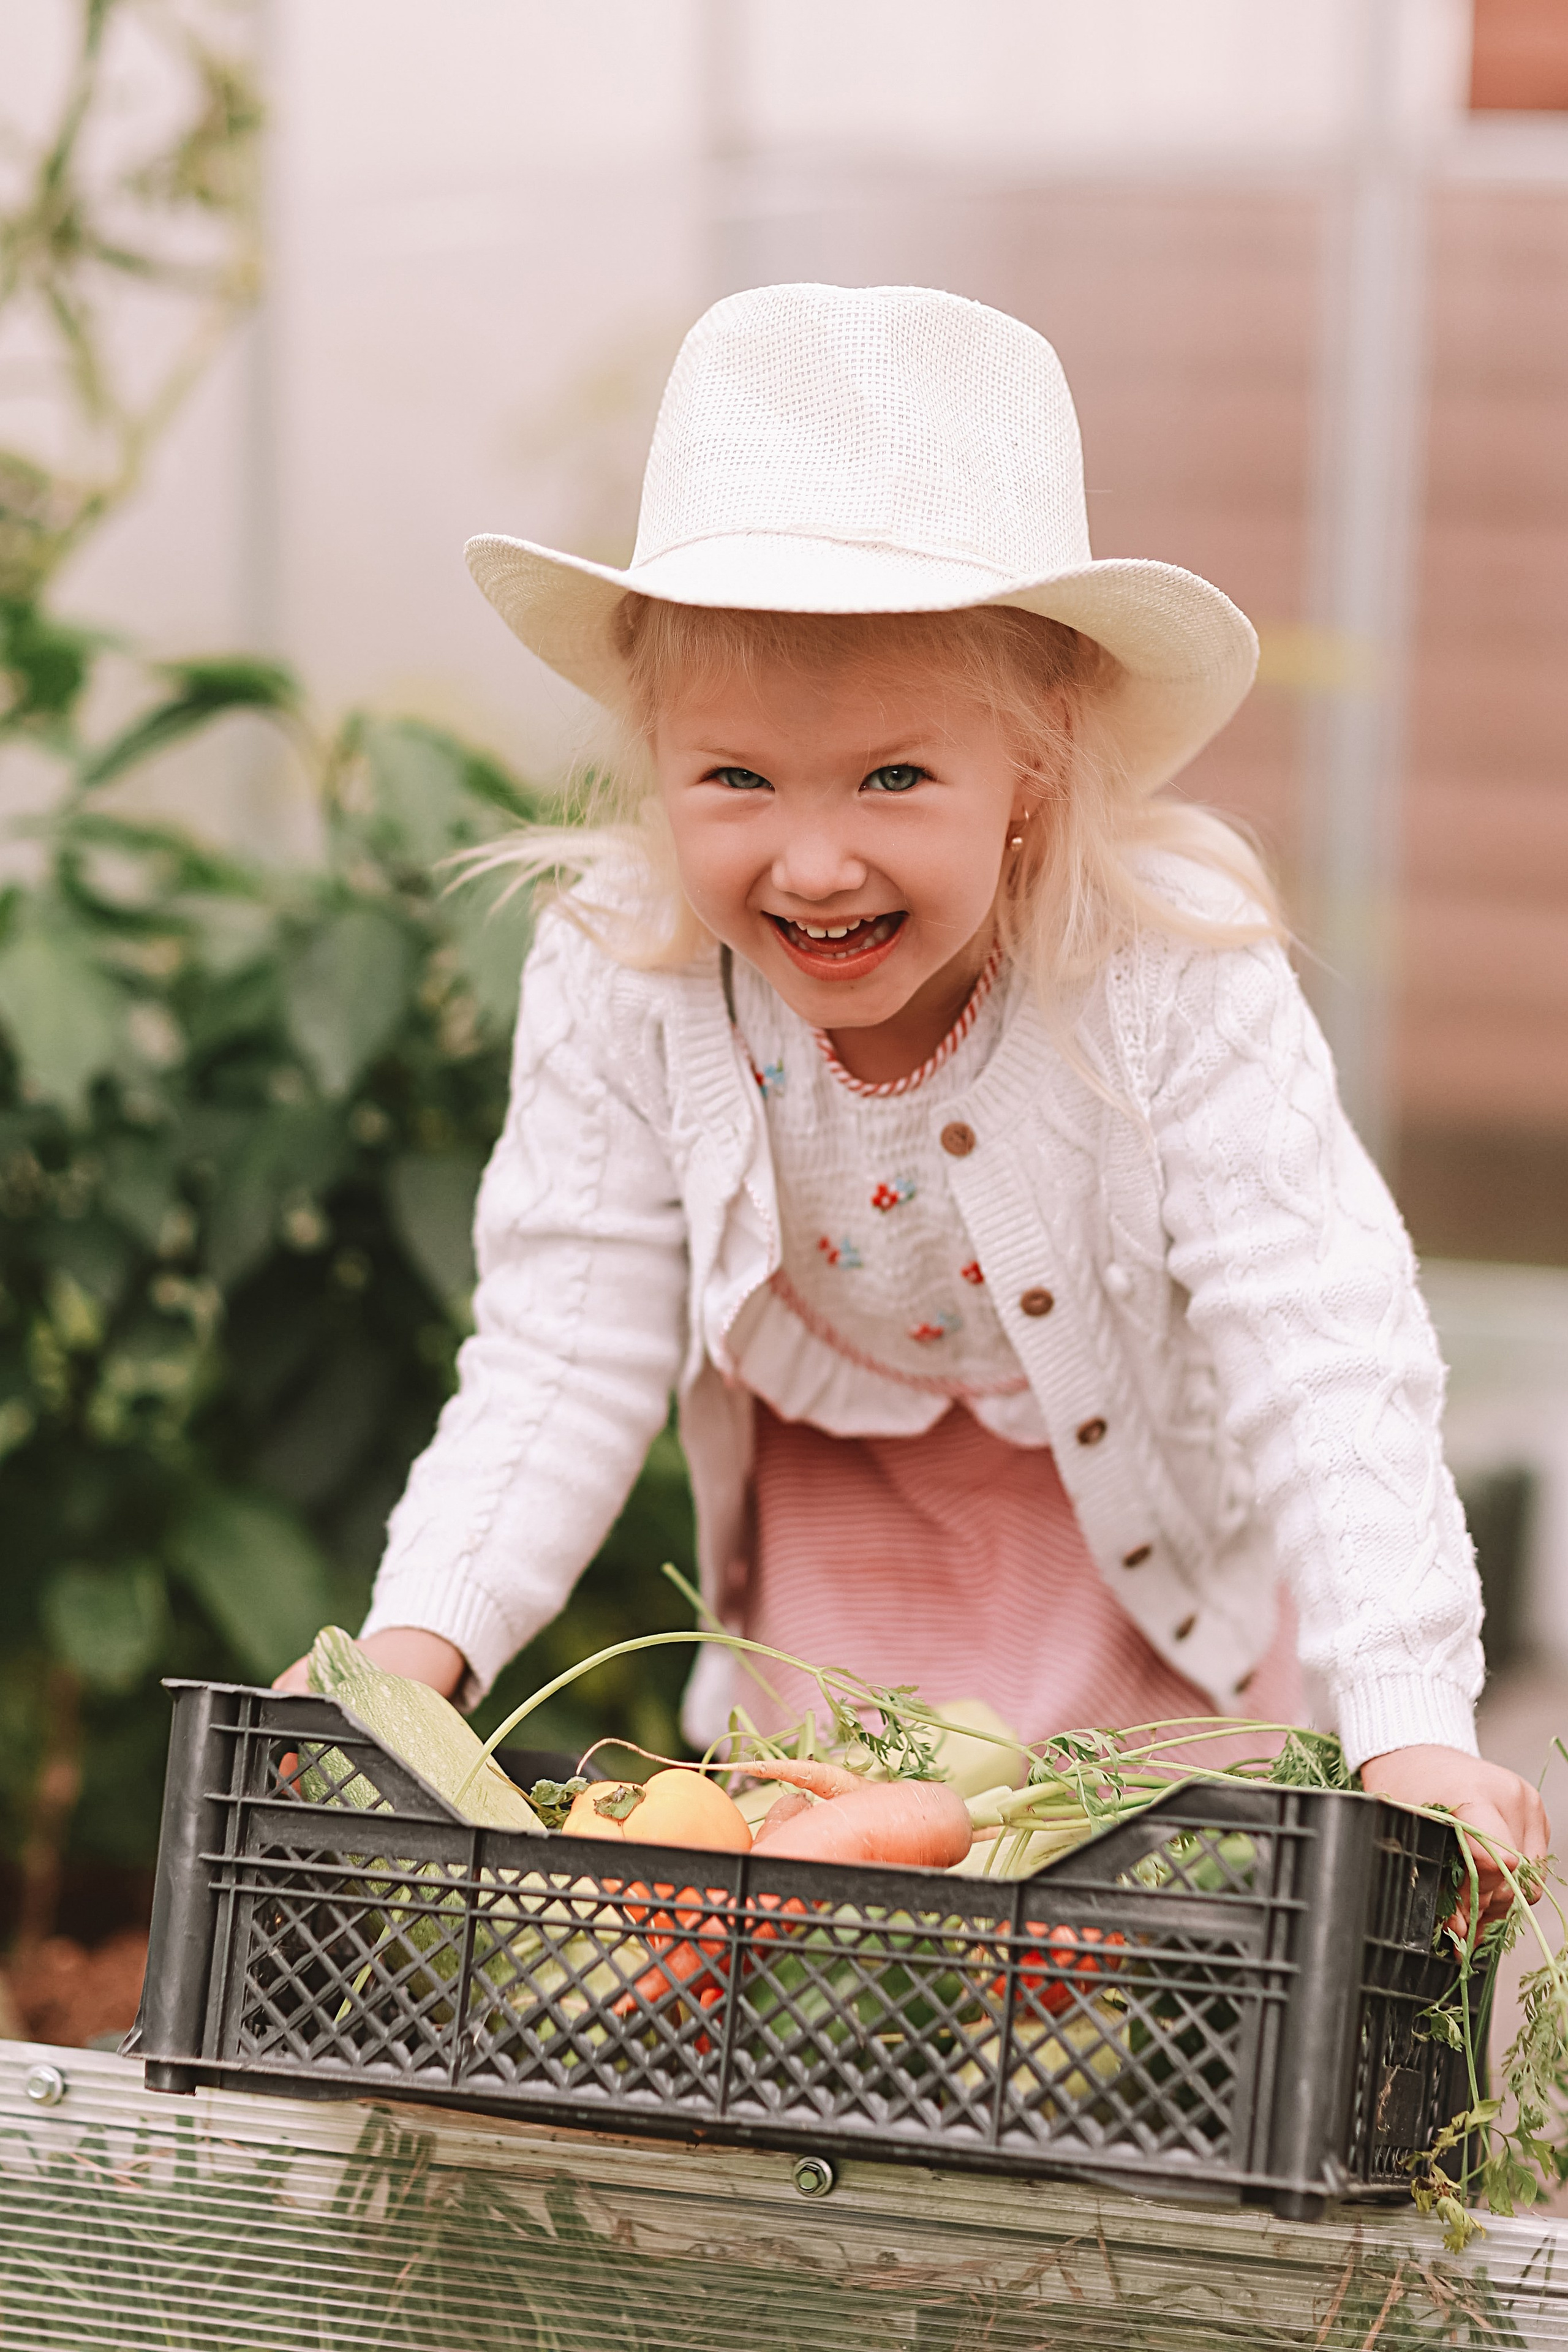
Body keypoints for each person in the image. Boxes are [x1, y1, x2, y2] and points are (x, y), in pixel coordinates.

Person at [277, 282, 1545, 1916]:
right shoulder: (625, 973)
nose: (812, 861)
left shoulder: (1172, 976)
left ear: (1040, 764)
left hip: (1133, 1583)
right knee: (823, 1949)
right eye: (733, 778)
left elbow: (1324, 1348)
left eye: (895, 777)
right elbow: (562, 1343)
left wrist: (1412, 1729)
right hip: (839, 1561)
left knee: (1115, 1963)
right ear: (650, 752)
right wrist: (407, 1654)